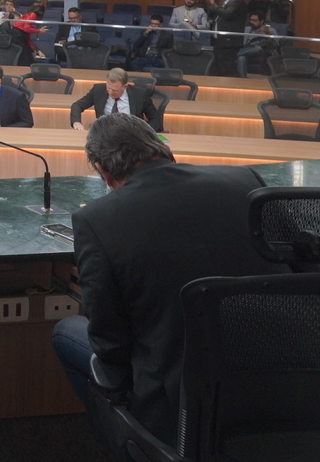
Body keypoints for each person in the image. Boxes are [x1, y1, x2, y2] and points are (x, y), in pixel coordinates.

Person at [51, 115, 278, 453]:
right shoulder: (245, 180)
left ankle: (134, 445)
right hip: (278, 376)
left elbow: (109, 341)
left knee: (66, 331)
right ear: (162, 149)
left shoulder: (97, 218)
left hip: (177, 395)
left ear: (103, 170)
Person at [70, 68, 160, 130]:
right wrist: (76, 122)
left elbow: (155, 118)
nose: (110, 92)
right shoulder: (98, 90)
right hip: (105, 133)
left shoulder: (139, 94)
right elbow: (77, 105)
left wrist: (144, 132)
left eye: (115, 90)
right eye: (108, 88)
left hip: (131, 134)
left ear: (125, 86)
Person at [205, 0, 249, 72]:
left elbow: (226, 14)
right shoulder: (225, 1)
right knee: (217, 68)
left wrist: (213, 4)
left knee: (226, 68)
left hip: (229, 42)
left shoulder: (237, 1)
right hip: (220, 41)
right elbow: (216, 14)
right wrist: (210, 5)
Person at [235, 13, 279, 77]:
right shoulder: (247, 29)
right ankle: (242, 79)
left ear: (261, 21)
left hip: (262, 53)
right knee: (241, 58)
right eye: (251, 20)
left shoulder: (270, 30)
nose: (251, 22)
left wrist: (268, 33)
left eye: (254, 20)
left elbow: (276, 44)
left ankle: (235, 54)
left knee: (258, 48)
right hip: (248, 51)